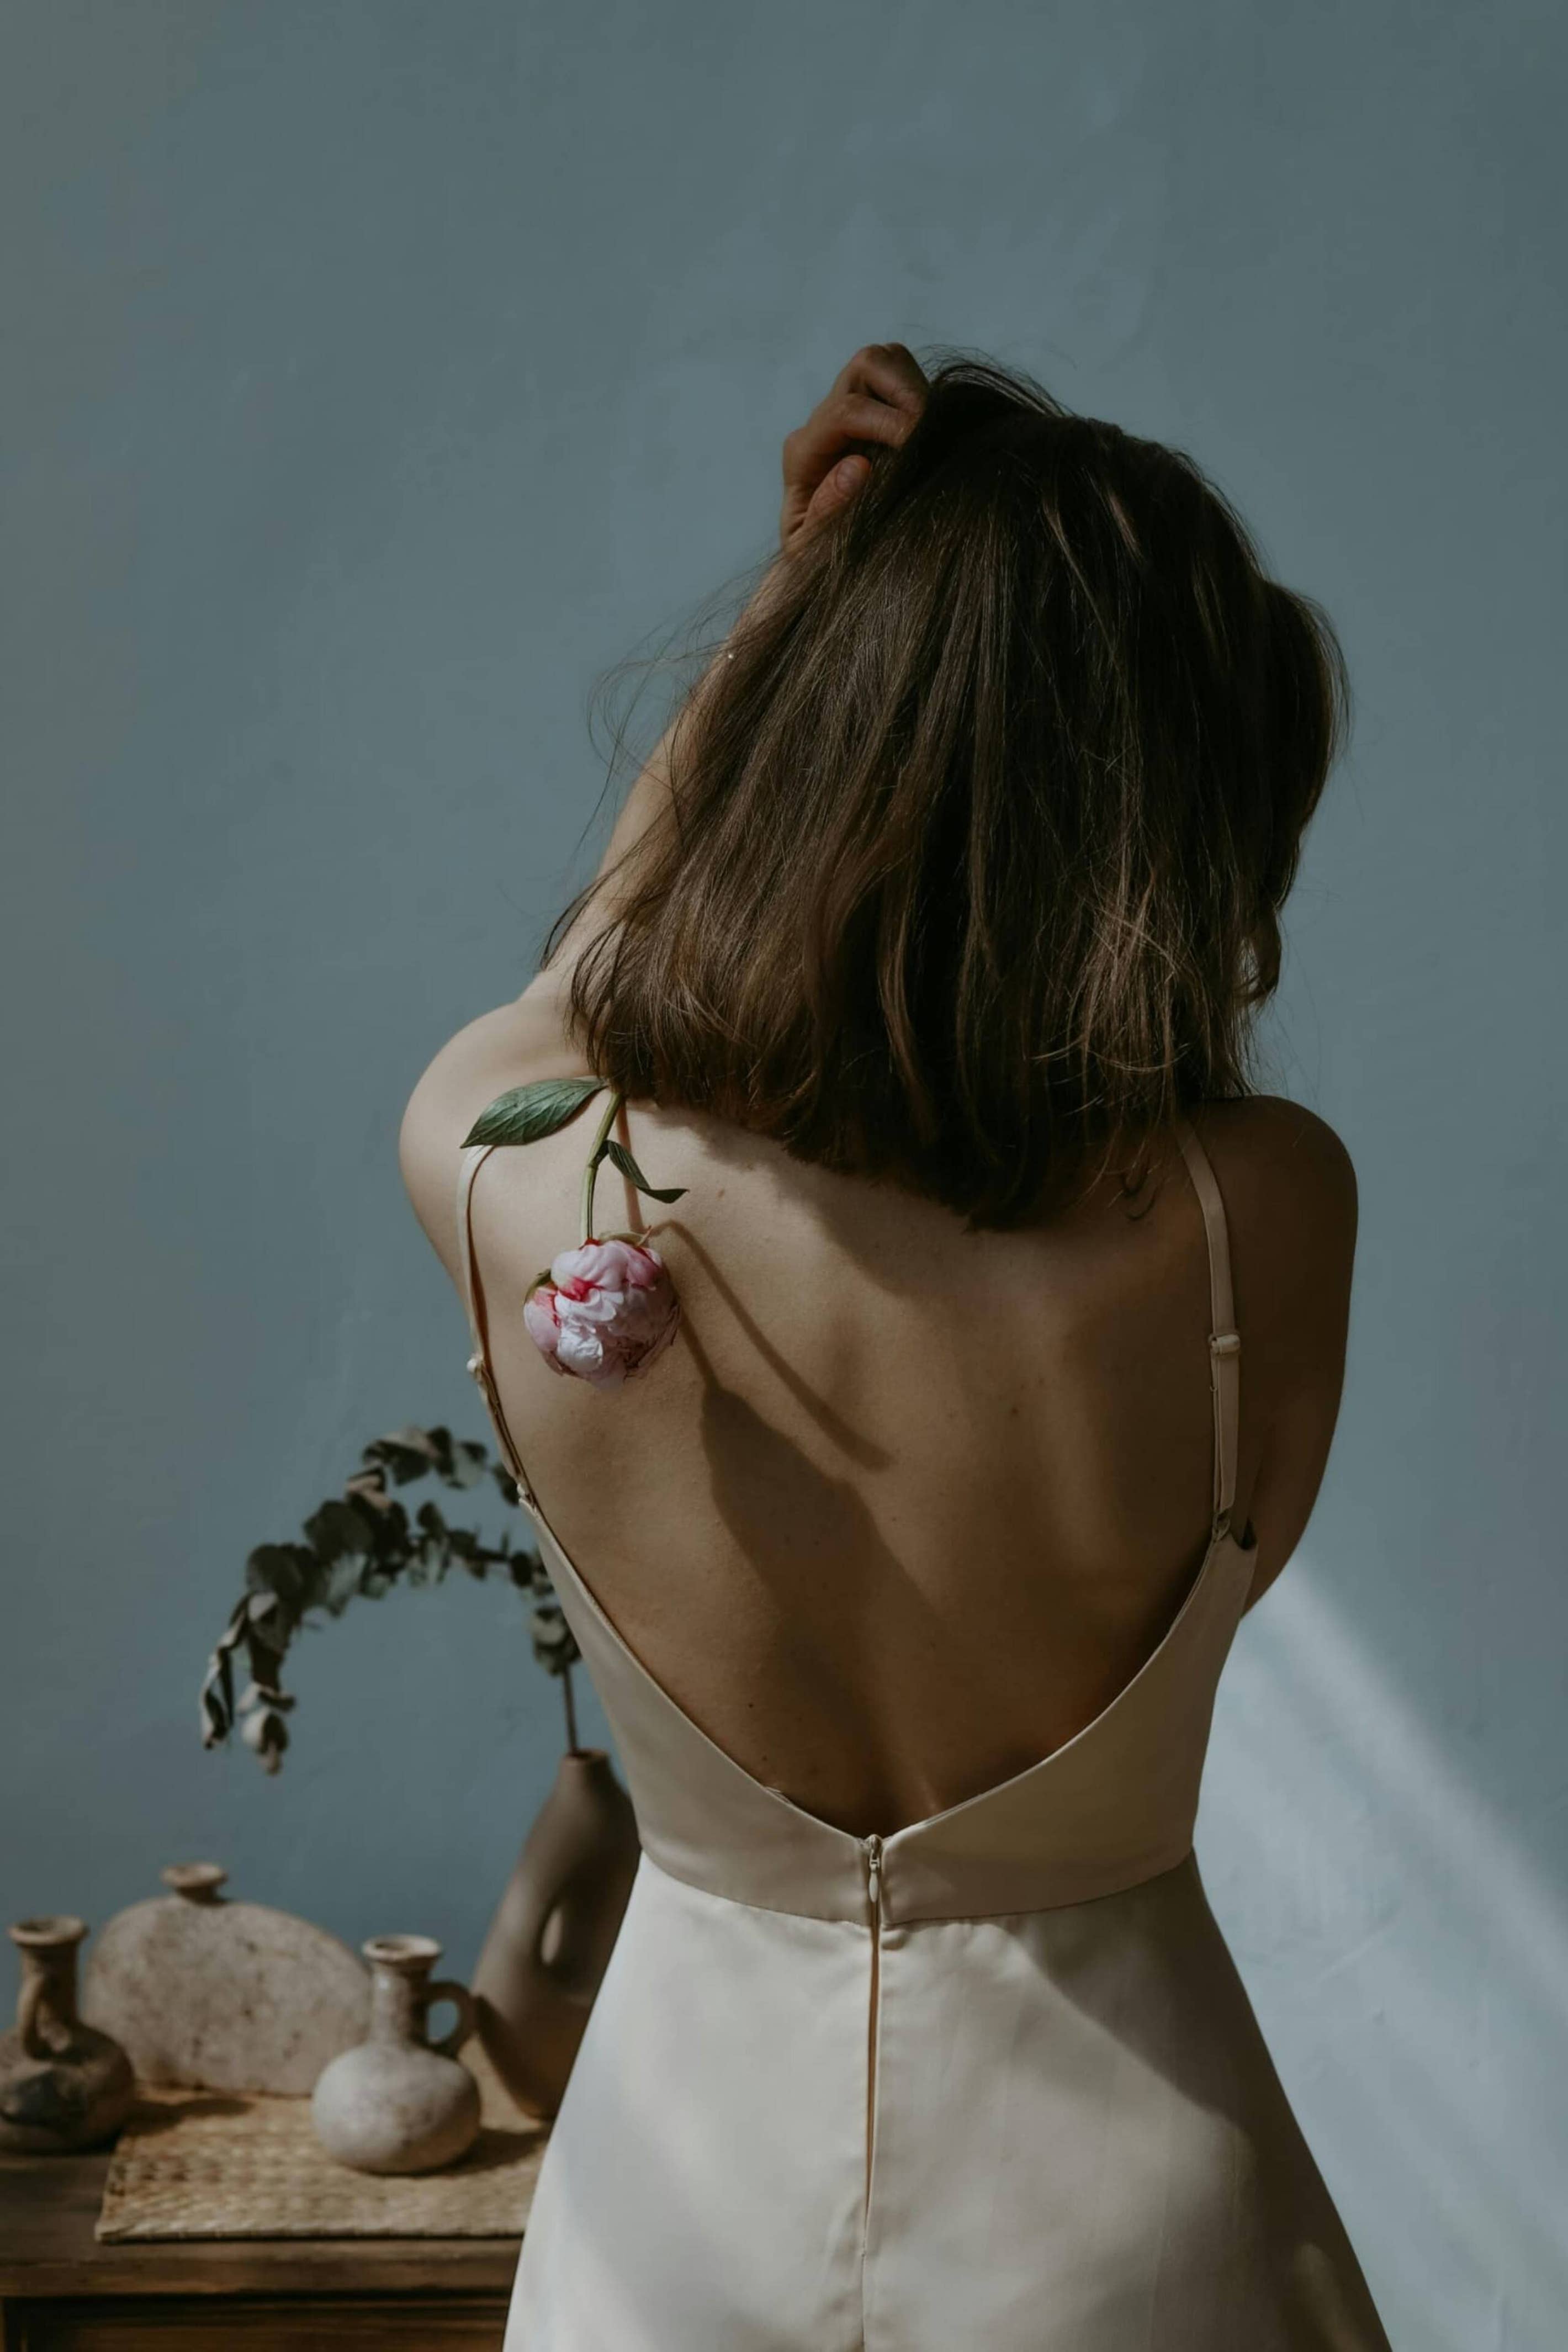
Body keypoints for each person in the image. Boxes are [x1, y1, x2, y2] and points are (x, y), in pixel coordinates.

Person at [400, 344, 1391, 2349]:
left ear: (806, 764)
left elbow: (578, 991)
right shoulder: (1257, 1213)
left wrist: (792, 623)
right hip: (1137, 2235)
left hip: (675, 2227)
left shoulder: (539, 1186)